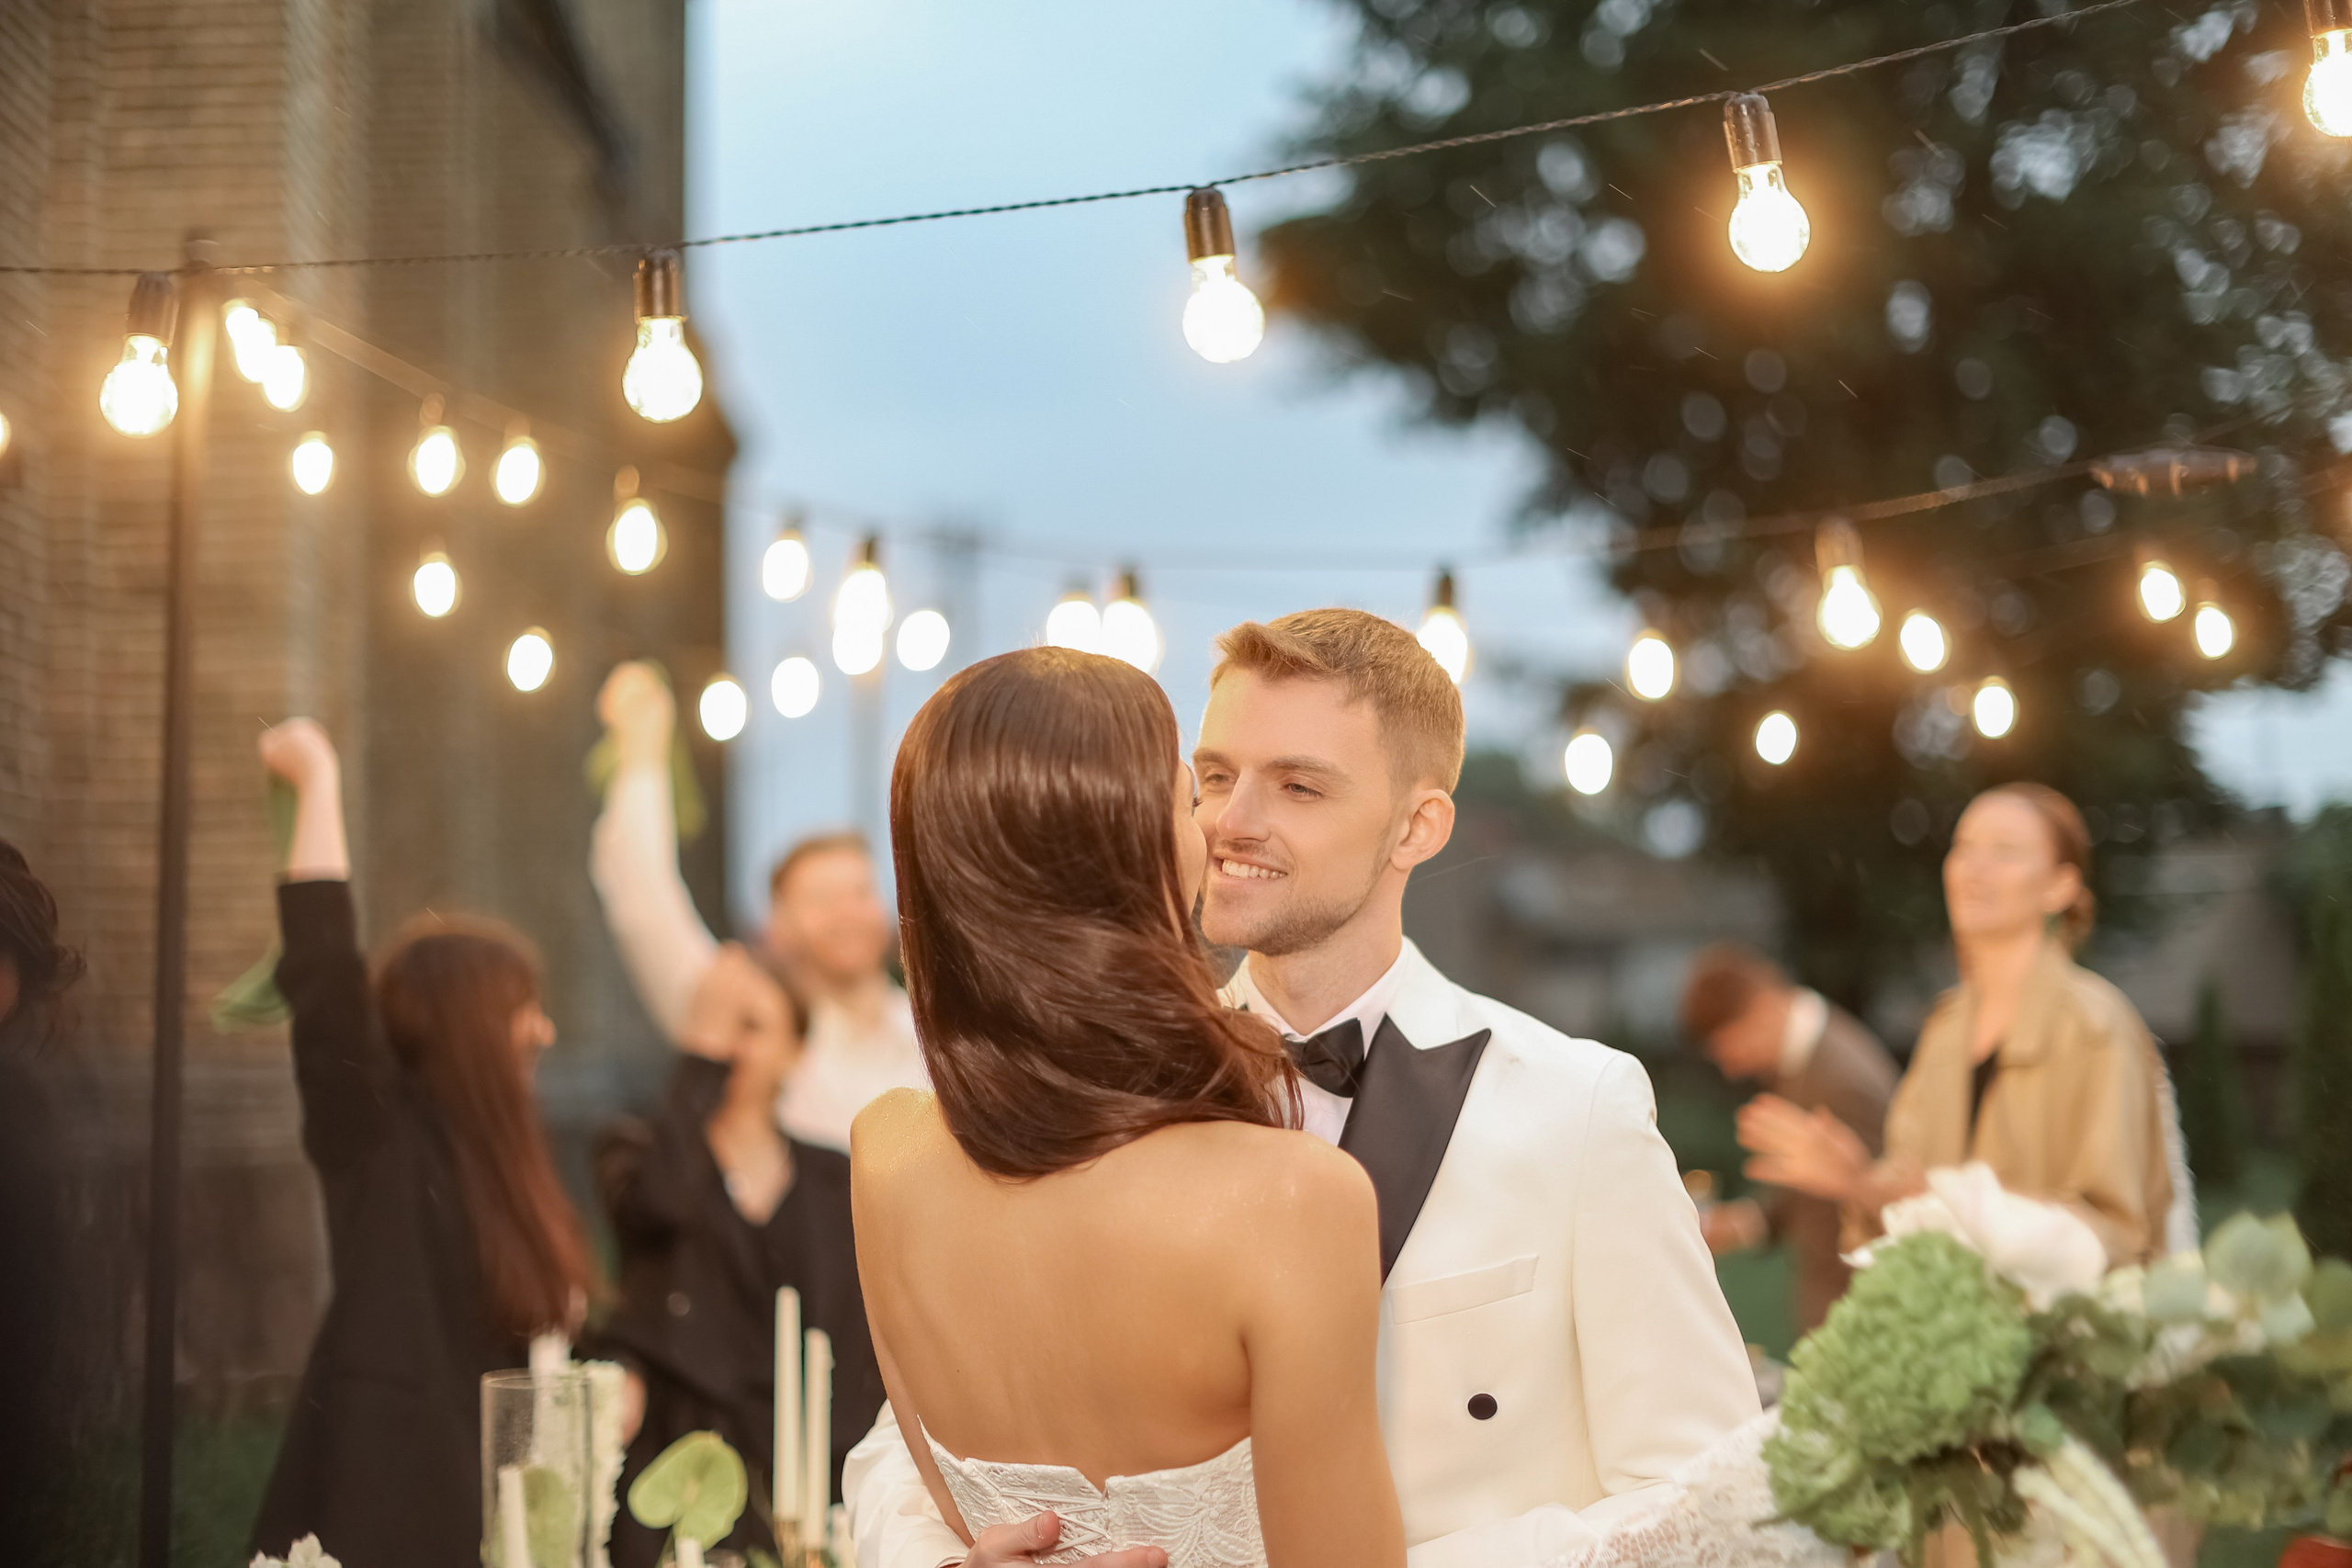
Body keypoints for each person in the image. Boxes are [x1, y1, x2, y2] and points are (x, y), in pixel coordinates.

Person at [847, 611, 1763, 1568]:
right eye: (1209, 778)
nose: (1228, 821)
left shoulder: (1578, 1111)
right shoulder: (1085, 1094)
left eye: (1297, 786)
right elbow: (909, 1440)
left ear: (1417, 826)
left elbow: (1709, 1500)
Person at [852, 645, 1408, 1568]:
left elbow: (950, 1510)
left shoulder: (887, 1150)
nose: (1215, 827)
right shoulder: (1294, 1200)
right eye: (1189, 791)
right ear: (1125, 848)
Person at [248, 718, 595, 1568]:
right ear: (472, 1023)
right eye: (524, 1008)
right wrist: (319, 782)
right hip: (382, 1527)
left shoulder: (501, 1162)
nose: (542, 1029)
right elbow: (326, 974)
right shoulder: (378, 1140)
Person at [1738, 783, 2177, 1269]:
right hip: (1953, 1340)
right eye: (1963, 848)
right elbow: (1915, 1211)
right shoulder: (1944, 1031)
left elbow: (2118, 1238)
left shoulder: (2096, 1028)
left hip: (2063, 1341)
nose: (1974, 868)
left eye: (2005, 852)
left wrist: (1966, 1212)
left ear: (2060, 887)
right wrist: (1857, 1181)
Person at [593, 942, 886, 1568]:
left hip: (817, 1477)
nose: (732, 1047)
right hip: (687, 1476)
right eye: (717, 1028)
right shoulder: (638, 1154)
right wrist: (698, 1063)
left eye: (751, 1027)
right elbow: (657, 1206)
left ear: (796, 1047)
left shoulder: (842, 1177)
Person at [592, 661, 925, 1150]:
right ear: (777, 925)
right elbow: (644, 904)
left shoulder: (928, 1036)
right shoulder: (749, 1029)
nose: (847, 914)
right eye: (821, 900)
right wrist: (643, 748)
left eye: (859, 893)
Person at [1678, 943, 1898, 1334]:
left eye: (1732, 1049)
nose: (1732, 1070)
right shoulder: (1807, 1061)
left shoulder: (1838, 1081)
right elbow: (1813, 1194)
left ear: (1761, 1010)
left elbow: (1873, 1212)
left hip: (1857, 1323)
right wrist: (1743, 1224)